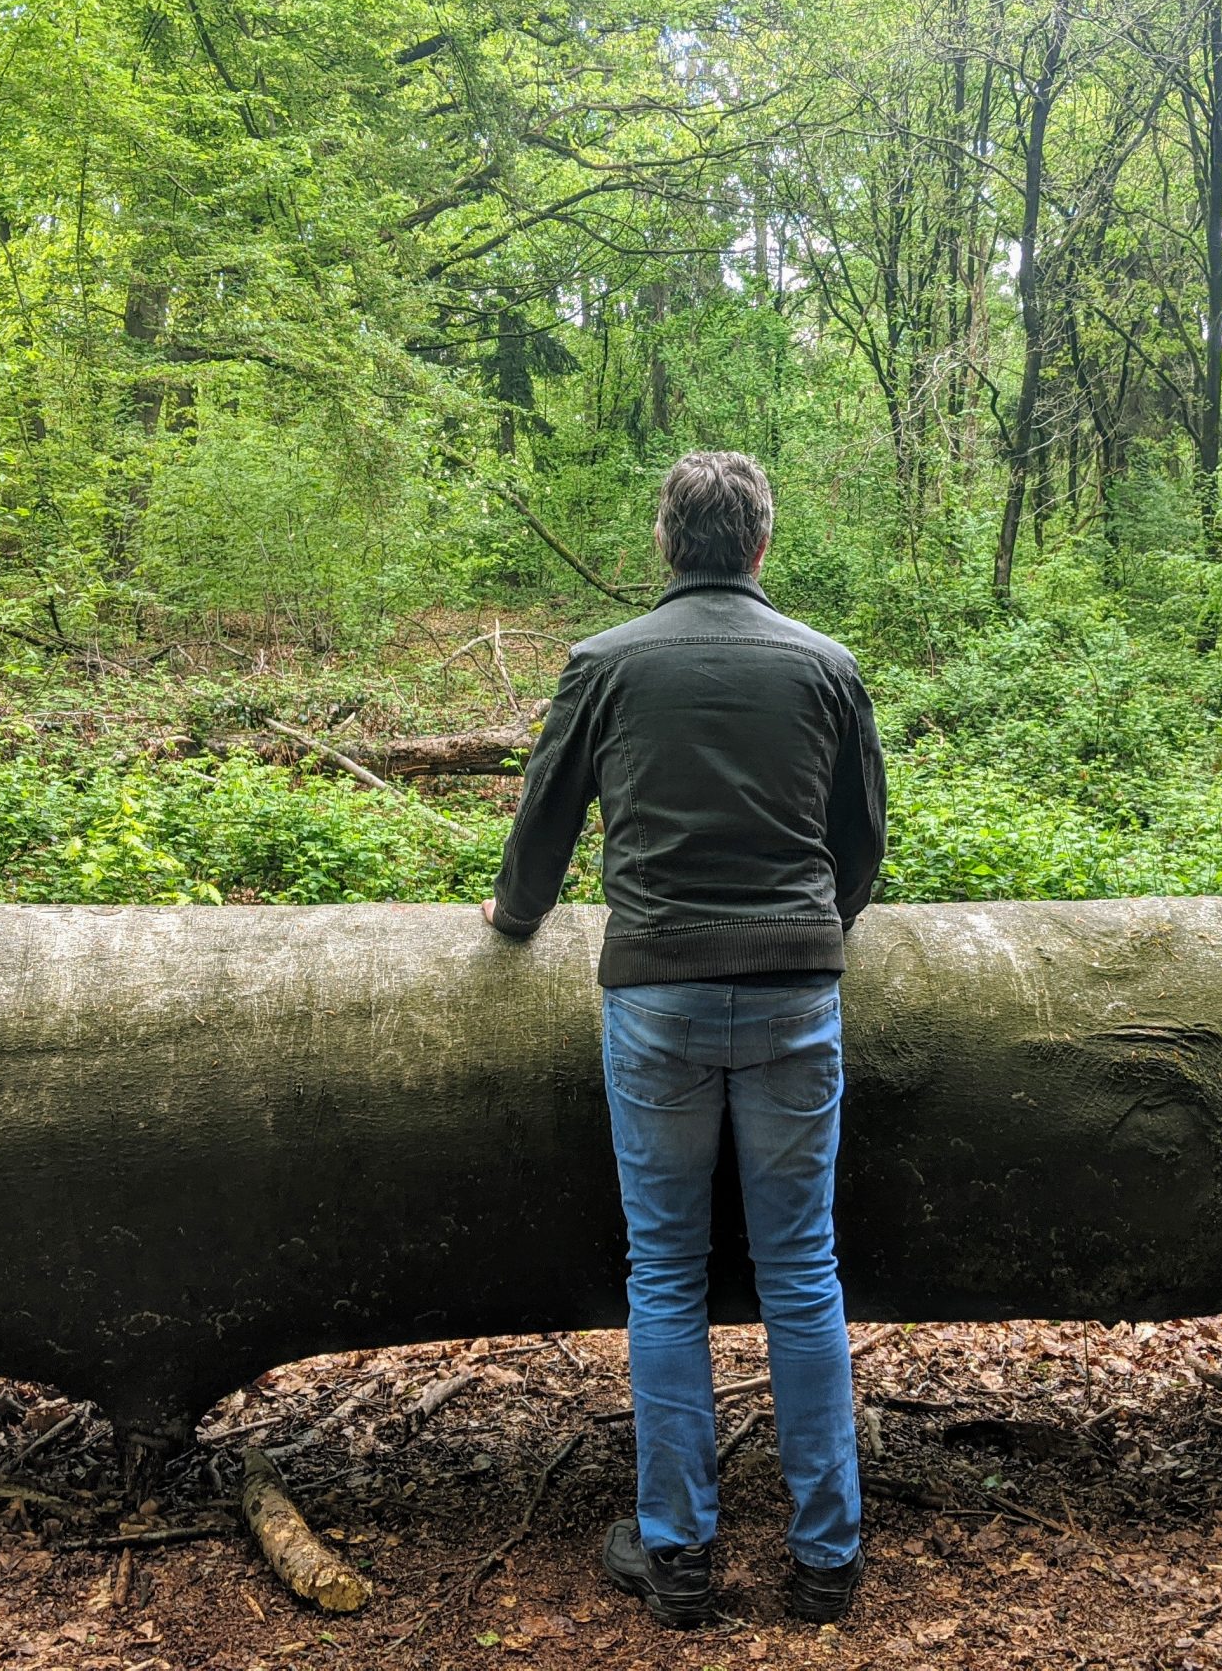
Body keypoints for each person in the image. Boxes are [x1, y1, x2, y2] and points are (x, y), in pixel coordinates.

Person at [480, 449, 887, 1630]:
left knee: (665, 1273)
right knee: (799, 1269)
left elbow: (546, 824)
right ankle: (825, 1561)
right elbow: (860, 841)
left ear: (666, 541)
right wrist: (813, 925)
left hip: (655, 991)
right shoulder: (824, 665)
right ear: (761, 544)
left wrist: (515, 918)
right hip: (796, 990)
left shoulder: (605, 663)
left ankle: (679, 1560)